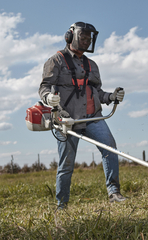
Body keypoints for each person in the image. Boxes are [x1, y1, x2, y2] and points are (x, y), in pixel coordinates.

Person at [38, 22, 126, 207]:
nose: (86, 41)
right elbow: (44, 87)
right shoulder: (56, 61)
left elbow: (97, 92)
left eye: (89, 38)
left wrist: (111, 96)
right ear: (70, 37)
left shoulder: (92, 65)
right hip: (67, 120)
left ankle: (114, 193)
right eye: (82, 37)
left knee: (110, 149)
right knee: (66, 164)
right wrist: (48, 98)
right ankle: (62, 205)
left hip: (93, 117)